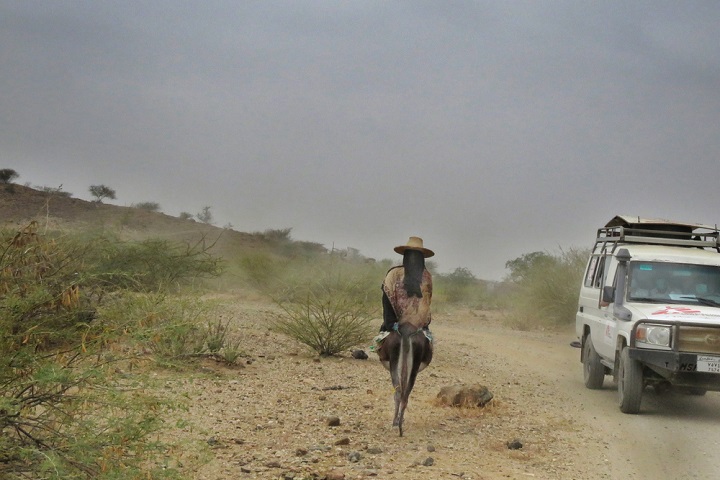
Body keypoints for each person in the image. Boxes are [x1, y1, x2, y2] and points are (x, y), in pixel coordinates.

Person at [379, 236, 434, 332]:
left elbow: (427, 302)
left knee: (427, 345)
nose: (413, 257)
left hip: (419, 327)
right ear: (405, 255)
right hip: (395, 325)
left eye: (417, 254)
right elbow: (386, 300)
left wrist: (422, 324)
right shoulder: (393, 274)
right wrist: (391, 325)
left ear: (422, 257)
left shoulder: (427, 277)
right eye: (410, 254)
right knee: (383, 344)